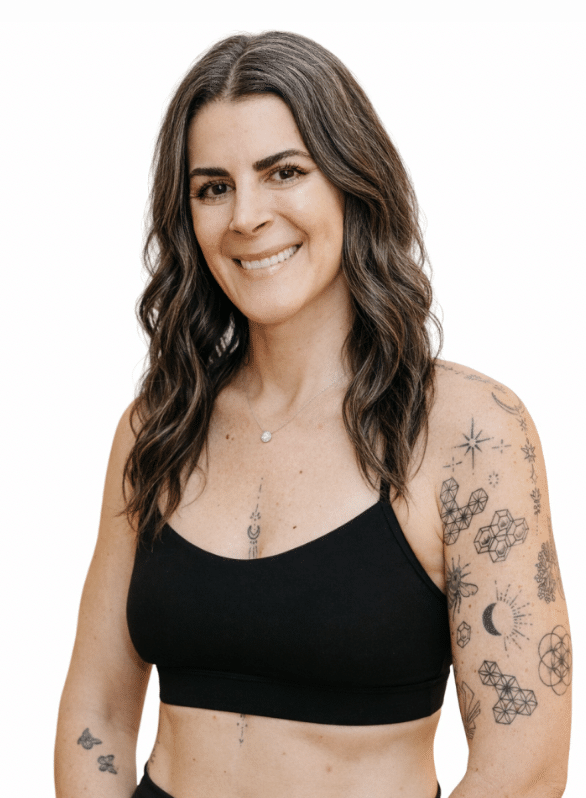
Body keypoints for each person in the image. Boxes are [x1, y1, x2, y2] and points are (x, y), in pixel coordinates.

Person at [54, 31, 571, 798]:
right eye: (213, 187)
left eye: (285, 172)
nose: (246, 216)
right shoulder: (158, 427)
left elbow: (523, 767)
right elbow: (96, 710)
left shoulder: (469, 435)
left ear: (352, 182)